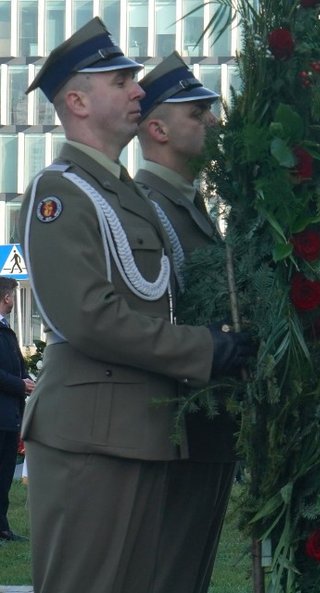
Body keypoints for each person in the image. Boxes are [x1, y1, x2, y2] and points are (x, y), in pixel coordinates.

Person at [18, 18, 252, 593]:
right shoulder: (61, 191)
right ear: (76, 100)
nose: (138, 91)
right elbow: (89, 317)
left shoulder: (123, 194)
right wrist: (207, 349)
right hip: (90, 435)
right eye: (121, 80)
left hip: (139, 430)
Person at [134, 53, 239, 593]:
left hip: (207, 429)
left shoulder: (190, 208)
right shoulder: (147, 209)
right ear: (156, 128)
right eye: (197, 114)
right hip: (175, 430)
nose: (212, 122)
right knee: (166, 576)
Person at [0, 278, 34, 543]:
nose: (12, 299)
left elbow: (13, 365)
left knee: (3, 476)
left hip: (8, 414)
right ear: (6, 297)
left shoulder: (5, 329)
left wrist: (27, 379)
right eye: (11, 293)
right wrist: (20, 384)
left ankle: (2, 528)